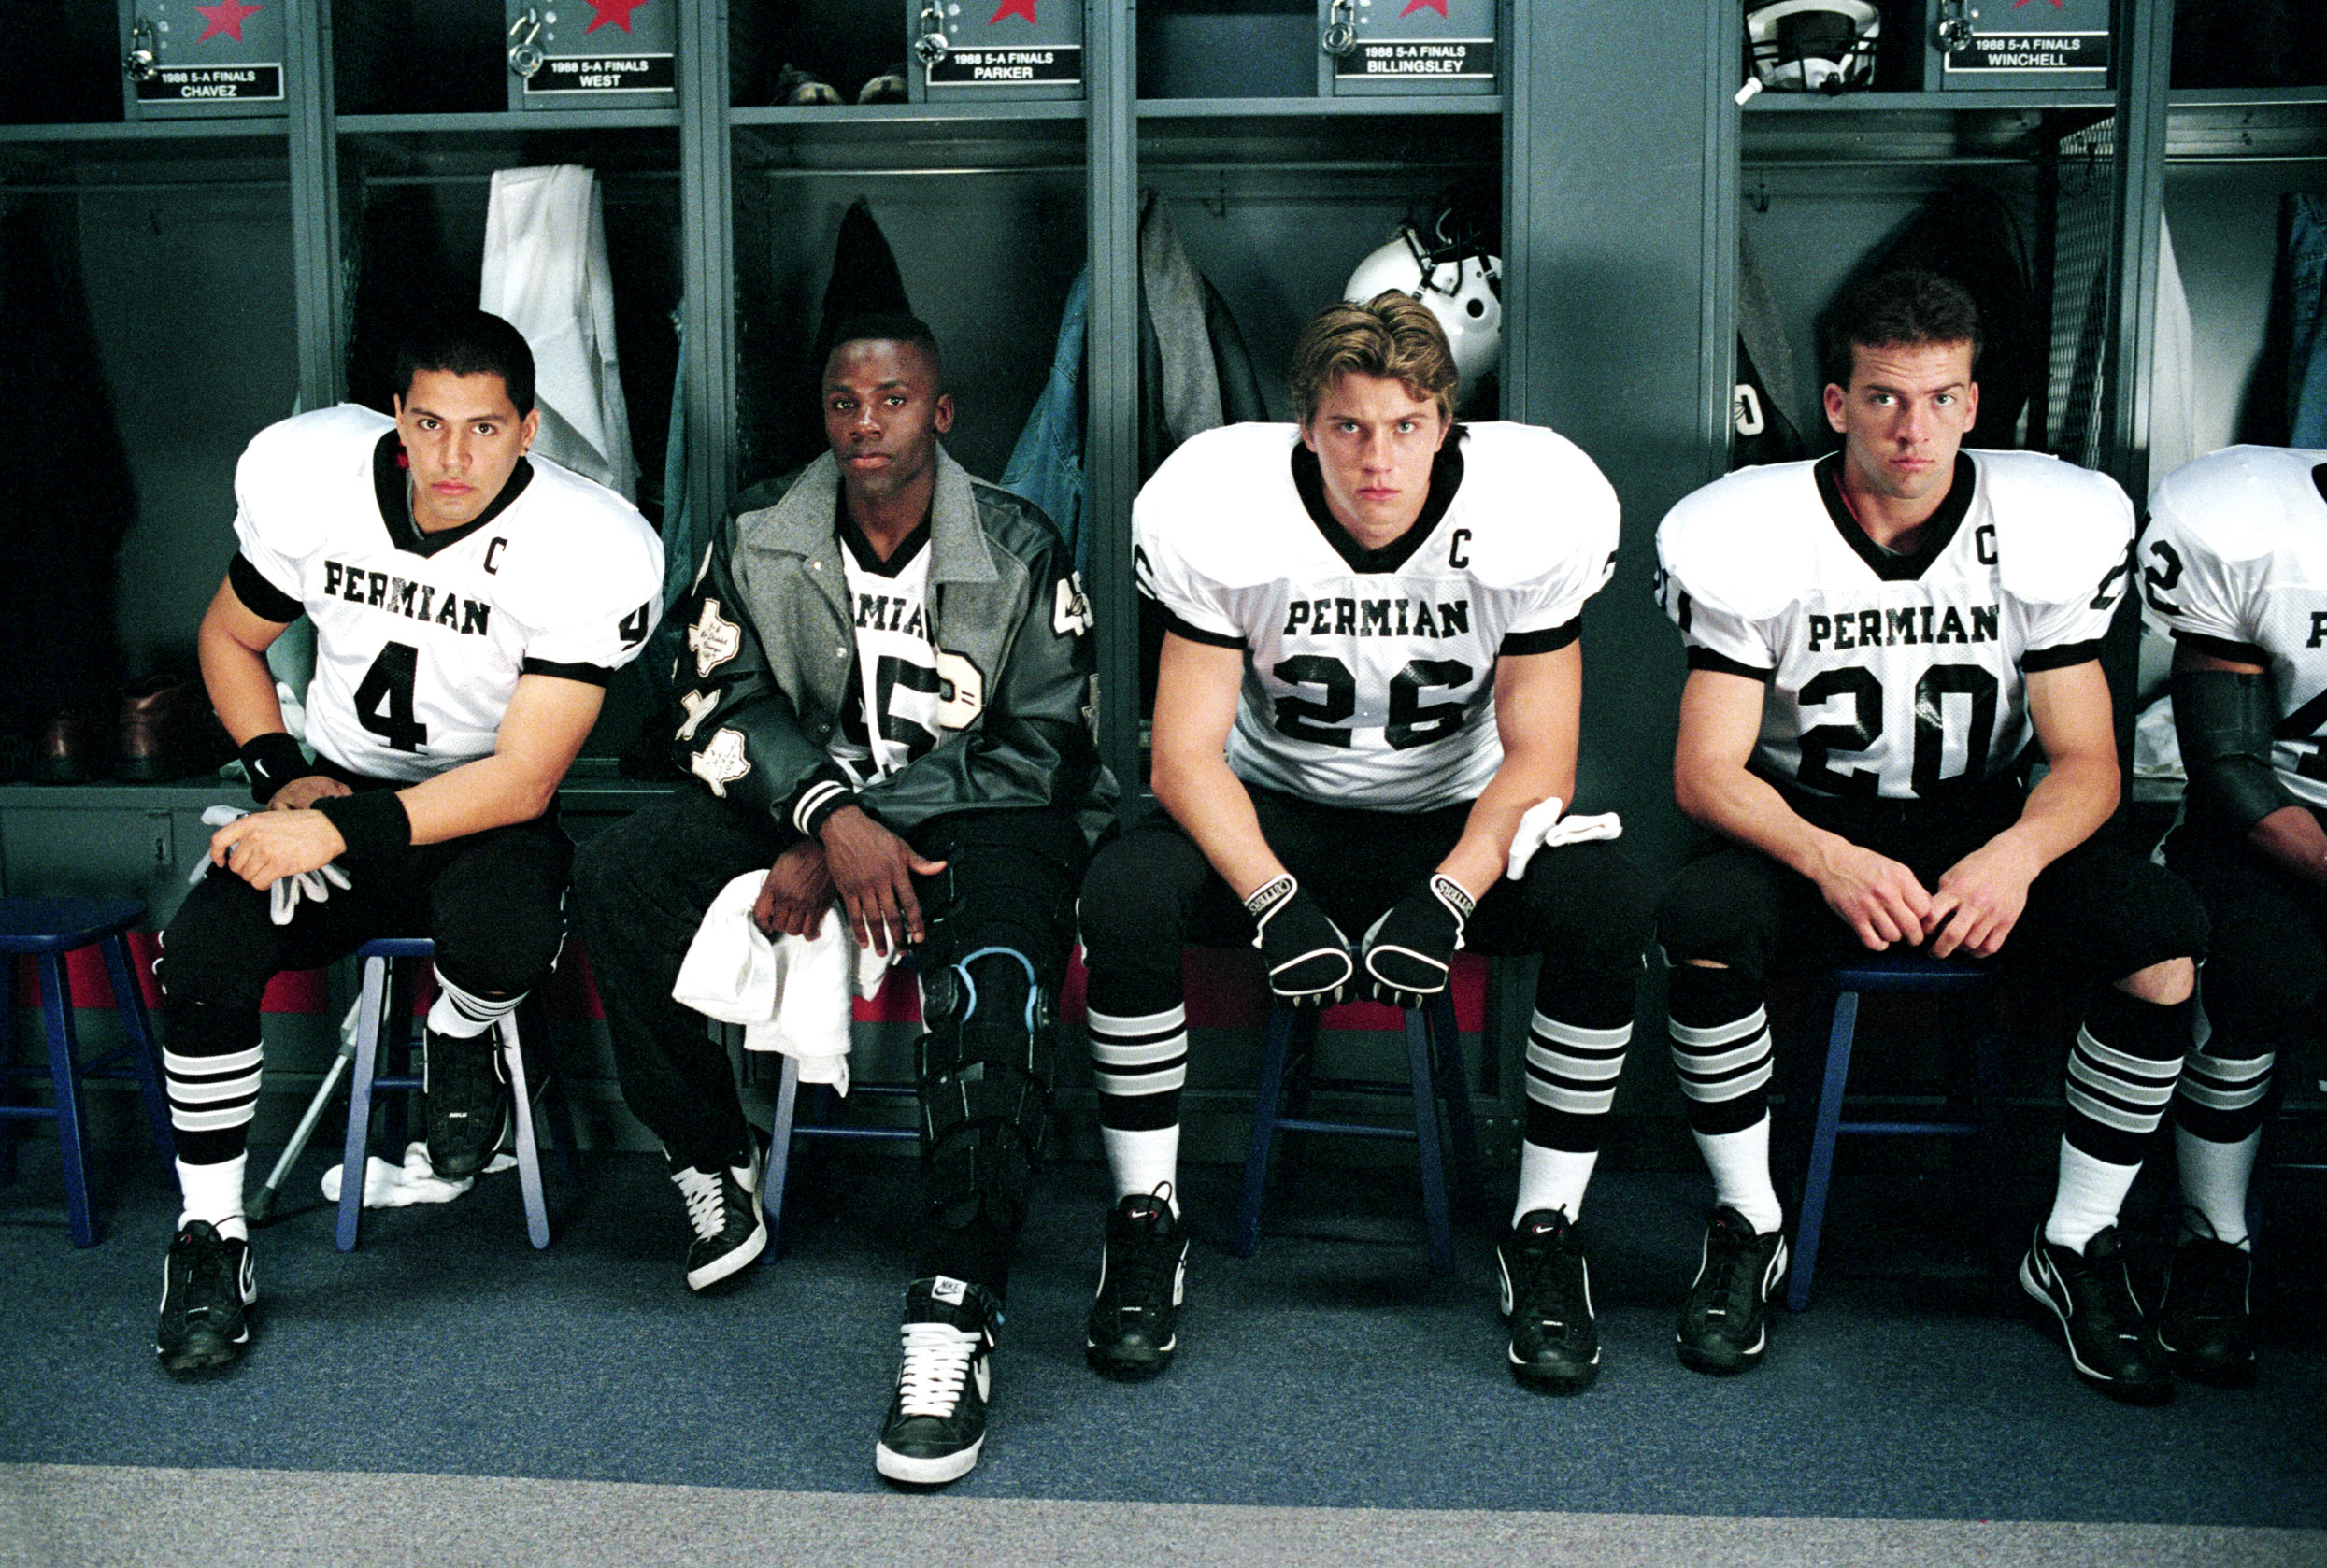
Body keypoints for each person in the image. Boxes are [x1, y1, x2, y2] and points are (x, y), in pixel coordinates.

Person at [570, 314, 1114, 1487]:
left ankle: (957, 1307)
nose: (866, 425)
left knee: (998, 975)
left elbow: (1046, 747)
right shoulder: (763, 529)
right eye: (844, 404)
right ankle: (710, 1160)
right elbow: (706, 700)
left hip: (981, 811)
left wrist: (873, 822)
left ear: (942, 411)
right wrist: (823, 817)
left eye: (894, 400)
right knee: (620, 875)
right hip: (804, 801)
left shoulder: (1020, 544)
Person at [1078, 292, 1653, 1394]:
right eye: (1350, 427)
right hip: (1276, 807)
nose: (1377, 457)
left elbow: (1542, 757)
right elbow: (1184, 755)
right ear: (1307, 427)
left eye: (1404, 426)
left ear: (1448, 426)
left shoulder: (1532, 509)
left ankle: (1545, 1233)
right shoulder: (1227, 508)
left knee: (1607, 905)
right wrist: (1270, 897)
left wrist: (1448, 896)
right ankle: (1145, 1220)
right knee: (1126, 894)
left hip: (1455, 816)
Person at [1653, 269, 2206, 1404]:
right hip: (1812, 820)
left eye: (1944, 398)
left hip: (1987, 817)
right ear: (1839, 400)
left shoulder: (2042, 520)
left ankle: (2076, 1240)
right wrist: (1825, 854)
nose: (1917, 429)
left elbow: (2090, 763)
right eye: (1889, 398)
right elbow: (1707, 770)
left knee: (2162, 941)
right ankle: (1747, 1221)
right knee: (1702, 922)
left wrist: (2017, 855)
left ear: (1975, 401)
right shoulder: (1759, 525)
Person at [154, 310, 664, 1376]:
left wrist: (323, 829)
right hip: (337, 795)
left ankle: (463, 1030)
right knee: (203, 947)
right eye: (429, 423)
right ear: (396, 416)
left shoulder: (589, 543)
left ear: (529, 429)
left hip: (483, 818)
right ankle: (211, 1234)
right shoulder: (313, 476)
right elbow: (228, 637)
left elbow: (523, 778)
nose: (451, 457)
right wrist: (275, 771)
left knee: (505, 933)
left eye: (483, 429)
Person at [2138, 441, 2327, 1390]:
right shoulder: (2256, 519)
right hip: (2274, 830)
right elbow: (2230, 766)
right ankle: (2215, 1240)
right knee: (2261, 968)